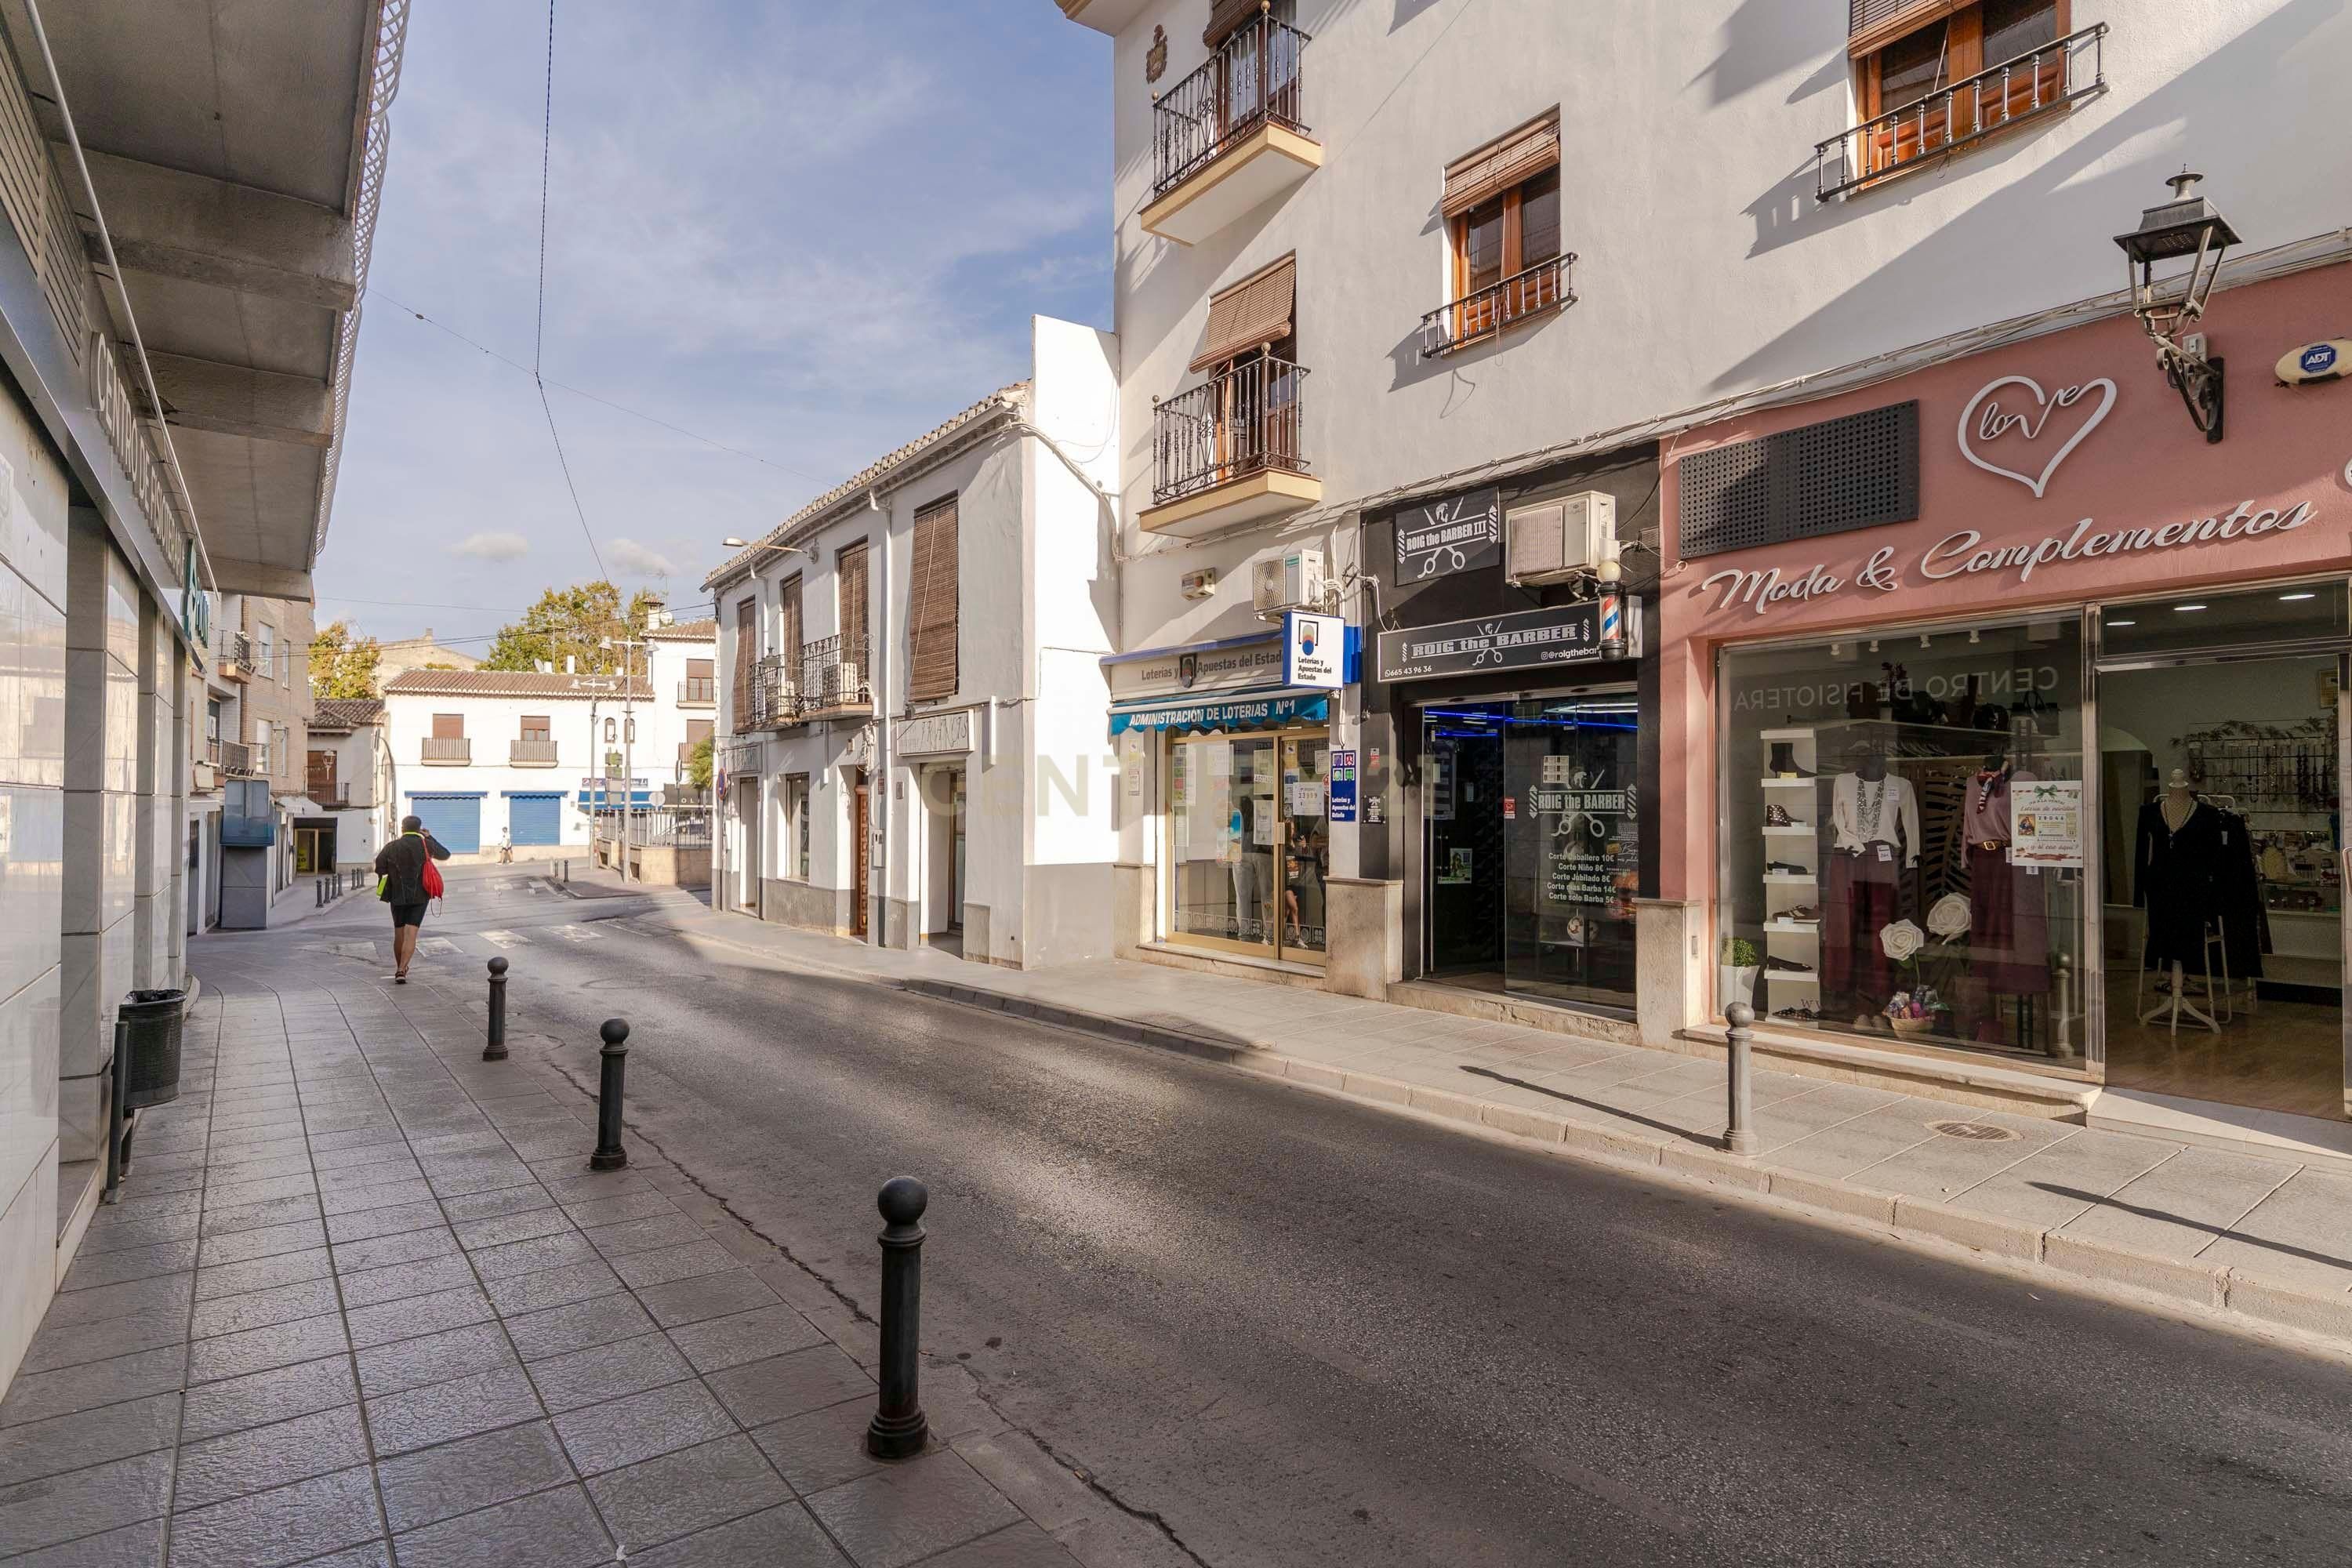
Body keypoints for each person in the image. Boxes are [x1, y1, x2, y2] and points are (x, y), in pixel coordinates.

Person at [374, 815, 451, 983]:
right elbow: (445, 854)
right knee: (411, 934)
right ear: (419, 829)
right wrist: (429, 837)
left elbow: (379, 865)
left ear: (402, 828)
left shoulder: (391, 846)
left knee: (399, 933)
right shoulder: (426, 845)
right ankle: (402, 969)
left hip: (397, 895)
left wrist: (389, 875)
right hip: (419, 895)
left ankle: (399, 968)